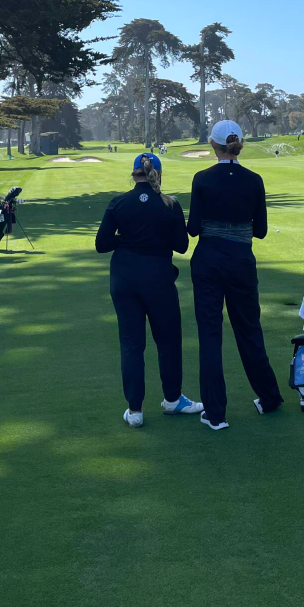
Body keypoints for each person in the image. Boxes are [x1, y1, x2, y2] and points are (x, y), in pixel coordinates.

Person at [187, 120, 284, 431]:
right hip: (241, 260)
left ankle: (215, 413)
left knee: (210, 336)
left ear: (213, 145)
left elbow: (192, 229)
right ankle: (269, 398)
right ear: (239, 143)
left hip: (208, 260)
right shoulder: (254, 180)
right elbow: (261, 231)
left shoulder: (202, 178)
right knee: (249, 331)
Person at [95, 152, 202, 428]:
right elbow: (181, 245)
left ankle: (135, 411)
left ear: (134, 174)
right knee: (167, 342)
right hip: (158, 280)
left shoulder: (119, 203)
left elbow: (102, 243)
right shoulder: (170, 205)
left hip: (124, 280)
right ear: (158, 174)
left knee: (132, 345)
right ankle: (172, 399)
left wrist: (126, 240)